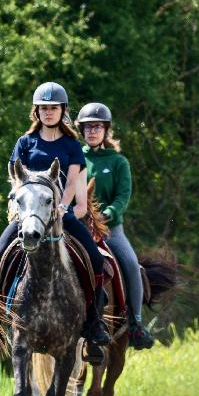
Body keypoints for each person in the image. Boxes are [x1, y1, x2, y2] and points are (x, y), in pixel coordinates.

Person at [0, 82, 110, 345]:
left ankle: (93, 321)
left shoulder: (71, 145)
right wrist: (18, 206)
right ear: (36, 111)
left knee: (97, 262)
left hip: (61, 215)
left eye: (53, 108)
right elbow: (16, 179)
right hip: (28, 215)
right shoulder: (25, 142)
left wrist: (63, 207)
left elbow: (72, 182)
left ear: (62, 110)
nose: (48, 112)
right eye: (44, 108)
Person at [77, 102, 154, 349]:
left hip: (110, 229)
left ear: (106, 129)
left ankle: (136, 324)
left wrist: (108, 212)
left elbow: (123, 196)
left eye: (97, 127)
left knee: (131, 264)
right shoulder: (75, 158)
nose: (92, 131)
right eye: (87, 127)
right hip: (79, 227)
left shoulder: (119, 161)